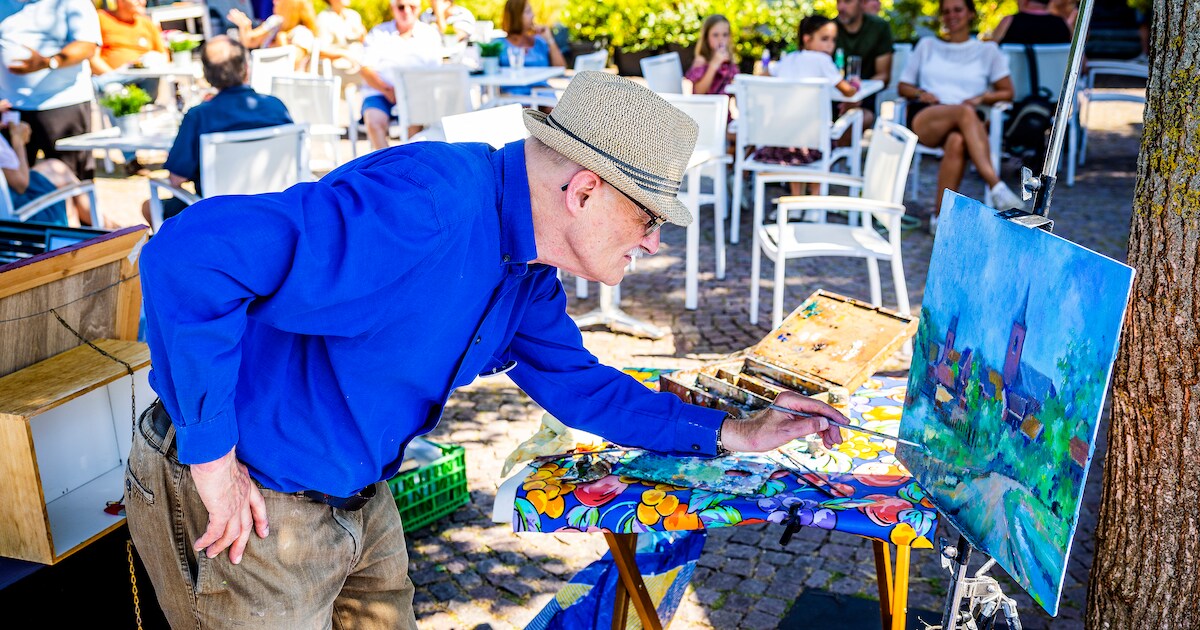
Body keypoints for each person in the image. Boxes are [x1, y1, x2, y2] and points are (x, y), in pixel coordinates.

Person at [127, 70, 847, 628]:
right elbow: (187, 260)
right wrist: (212, 457)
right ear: (586, 190)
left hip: (357, 497)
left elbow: (583, 388)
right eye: (649, 216)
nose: (655, 241)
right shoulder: (425, 207)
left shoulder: (527, 269)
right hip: (252, 503)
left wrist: (734, 430)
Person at [897, 0, 1024, 233]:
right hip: (929, 116)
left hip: (967, 122)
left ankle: (939, 218)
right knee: (963, 112)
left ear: (970, 14)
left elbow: (1007, 92)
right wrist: (920, 93)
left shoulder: (987, 51)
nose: (951, 15)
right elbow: (903, 86)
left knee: (957, 141)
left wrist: (981, 98)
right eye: (946, 11)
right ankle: (996, 186)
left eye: (957, 10)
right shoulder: (926, 45)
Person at [139, 36, 292, 225]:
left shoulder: (199, 116)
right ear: (246, 68)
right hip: (272, 206)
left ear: (207, 75)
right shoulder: (275, 107)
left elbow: (176, 179)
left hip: (217, 214)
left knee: (149, 206)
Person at [0, 0, 100, 182]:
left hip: (63, 104)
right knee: (17, 186)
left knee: (73, 183)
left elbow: (87, 45)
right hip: (11, 109)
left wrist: (48, 62)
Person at [766, 15, 860, 196]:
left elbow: (763, 75)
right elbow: (848, 91)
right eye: (824, 39)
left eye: (833, 40)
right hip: (813, 142)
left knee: (796, 135)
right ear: (807, 39)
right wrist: (855, 85)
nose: (830, 45)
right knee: (816, 139)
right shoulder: (822, 61)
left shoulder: (789, 59)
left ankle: (796, 200)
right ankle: (814, 205)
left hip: (780, 142)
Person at [92, 0, 168, 176]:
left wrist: (137, 67)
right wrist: (118, 75)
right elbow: (93, 58)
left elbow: (163, 57)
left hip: (145, 84)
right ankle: (130, 158)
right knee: (114, 91)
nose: (142, 1)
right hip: (115, 85)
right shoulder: (101, 19)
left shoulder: (147, 23)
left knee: (150, 60)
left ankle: (105, 81)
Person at [357, 0, 441, 151]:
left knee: (415, 122)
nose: (406, 11)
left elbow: (434, 73)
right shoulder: (378, 33)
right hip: (381, 92)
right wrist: (388, 90)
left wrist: (410, 93)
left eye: (412, 7)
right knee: (374, 121)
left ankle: (409, 162)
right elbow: (365, 69)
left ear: (419, 8)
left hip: (417, 95)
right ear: (393, 8)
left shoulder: (430, 34)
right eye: (401, 7)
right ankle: (385, 164)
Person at [835, 0, 894, 115]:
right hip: (830, 98)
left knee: (859, 118)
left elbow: (884, 75)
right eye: (838, 1)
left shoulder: (879, 27)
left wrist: (857, 95)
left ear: (862, 3)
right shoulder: (829, 28)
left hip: (865, 99)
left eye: (847, 1)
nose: (841, 7)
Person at [497, 0, 565, 96]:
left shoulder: (540, 42)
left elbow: (561, 68)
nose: (533, 15)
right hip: (512, 96)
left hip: (542, 93)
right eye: (528, 12)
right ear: (516, 16)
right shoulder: (499, 45)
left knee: (549, 106)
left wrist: (550, 39)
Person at [228, 0, 317, 70]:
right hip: (263, 78)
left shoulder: (303, 33)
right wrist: (245, 26)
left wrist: (281, 41)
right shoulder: (275, 22)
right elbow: (250, 42)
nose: (274, 2)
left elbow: (293, 62)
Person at [685, 14, 737, 97]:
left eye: (725, 35)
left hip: (724, 108)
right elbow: (698, 92)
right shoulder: (701, 61)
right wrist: (714, 65)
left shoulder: (729, 61)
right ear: (706, 37)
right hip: (706, 108)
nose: (721, 40)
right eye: (715, 35)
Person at [315, 0, 366, 79]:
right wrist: (344, 54)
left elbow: (365, 42)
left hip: (358, 63)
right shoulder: (324, 18)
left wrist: (363, 34)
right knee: (369, 76)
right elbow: (320, 51)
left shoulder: (353, 16)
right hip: (336, 67)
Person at [992, 0, 1071, 45]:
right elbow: (1080, 64)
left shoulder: (1008, 22)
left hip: (1017, 74)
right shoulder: (1063, 24)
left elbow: (989, 54)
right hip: (1056, 74)